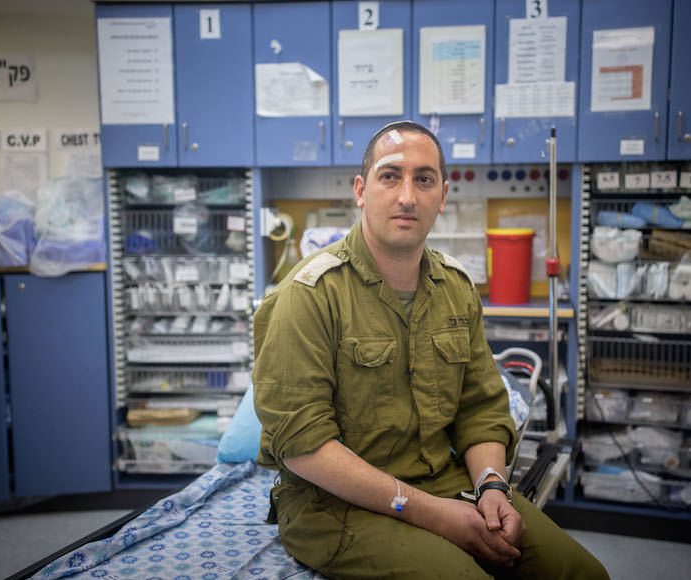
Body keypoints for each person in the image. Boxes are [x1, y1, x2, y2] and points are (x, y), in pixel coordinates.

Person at [253, 121, 608, 579]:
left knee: (582, 574)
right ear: (361, 190)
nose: (407, 196)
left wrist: (492, 488)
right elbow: (303, 445)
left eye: (424, 179)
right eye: (390, 175)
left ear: (442, 196)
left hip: (446, 481)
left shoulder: (456, 288)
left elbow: (479, 409)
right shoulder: (309, 295)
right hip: (332, 505)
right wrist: (432, 514)